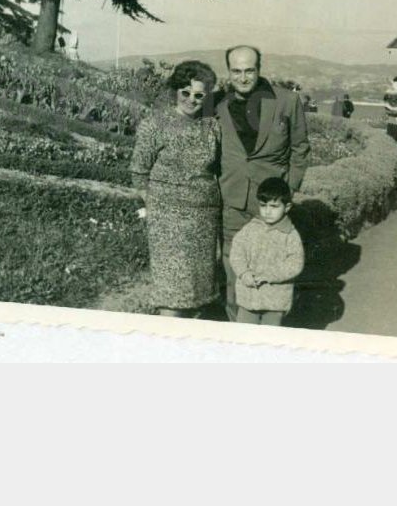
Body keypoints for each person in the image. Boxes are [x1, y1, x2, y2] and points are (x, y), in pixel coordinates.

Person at [215, 45, 310, 321]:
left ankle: (269, 331)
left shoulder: (287, 101)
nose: (243, 77)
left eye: (249, 70)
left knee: (273, 273)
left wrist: (289, 190)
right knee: (234, 274)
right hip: (232, 201)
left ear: (259, 69)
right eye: (236, 71)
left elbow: (300, 148)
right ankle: (239, 333)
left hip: (270, 203)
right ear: (228, 71)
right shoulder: (216, 103)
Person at [129, 60, 221, 317]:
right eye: (186, 92)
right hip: (168, 221)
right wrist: (156, 206)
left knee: (198, 290)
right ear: (175, 91)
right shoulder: (155, 124)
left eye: (199, 95)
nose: (191, 100)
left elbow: (217, 169)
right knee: (171, 291)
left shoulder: (212, 126)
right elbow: (139, 171)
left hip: (203, 220)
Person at [230, 178, 305, 326]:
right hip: (248, 297)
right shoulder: (250, 229)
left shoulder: (290, 235)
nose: (267, 211)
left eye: (274, 206)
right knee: (244, 333)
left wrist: (269, 275)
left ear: (287, 207)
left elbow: (295, 264)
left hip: (275, 300)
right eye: (263, 205)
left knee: (270, 335)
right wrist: (243, 273)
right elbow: (237, 252)